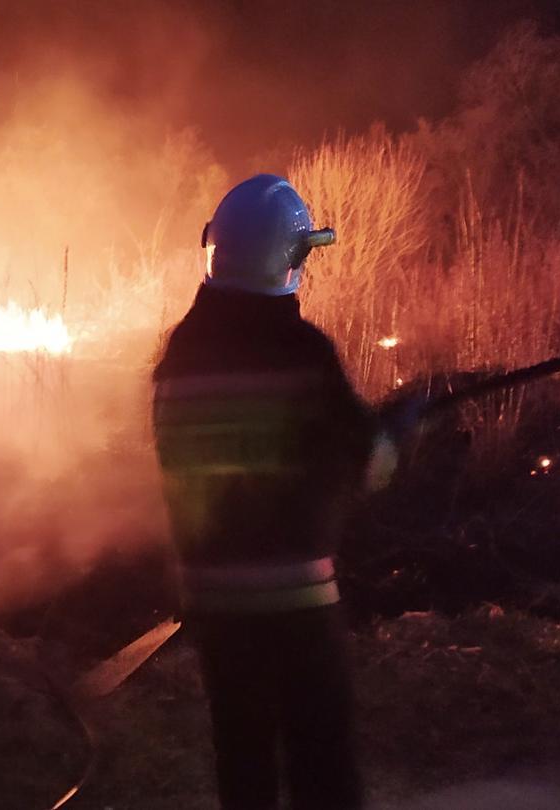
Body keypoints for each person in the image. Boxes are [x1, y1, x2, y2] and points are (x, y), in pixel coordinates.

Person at [152, 174, 418, 810]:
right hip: (294, 602)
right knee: (321, 767)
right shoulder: (302, 353)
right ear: (290, 260)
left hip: (213, 605)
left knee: (243, 766)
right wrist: (398, 429)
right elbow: (366, 470)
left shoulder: (177, 359)